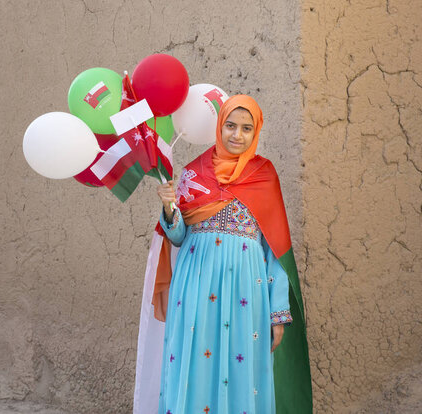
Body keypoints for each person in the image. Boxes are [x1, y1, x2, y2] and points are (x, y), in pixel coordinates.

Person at [133, 95, 312, 414]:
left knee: (240, 361)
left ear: (256, 131)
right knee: (193, 359)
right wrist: (169, 207)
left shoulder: (264, 176)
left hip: (246, 288)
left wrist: (277, 312)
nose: (237, 135)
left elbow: (275, 248)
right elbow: (177, 237)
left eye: (246, 128)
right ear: (220, 126)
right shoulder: (191, 173)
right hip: (195, 284)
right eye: (230, 126)